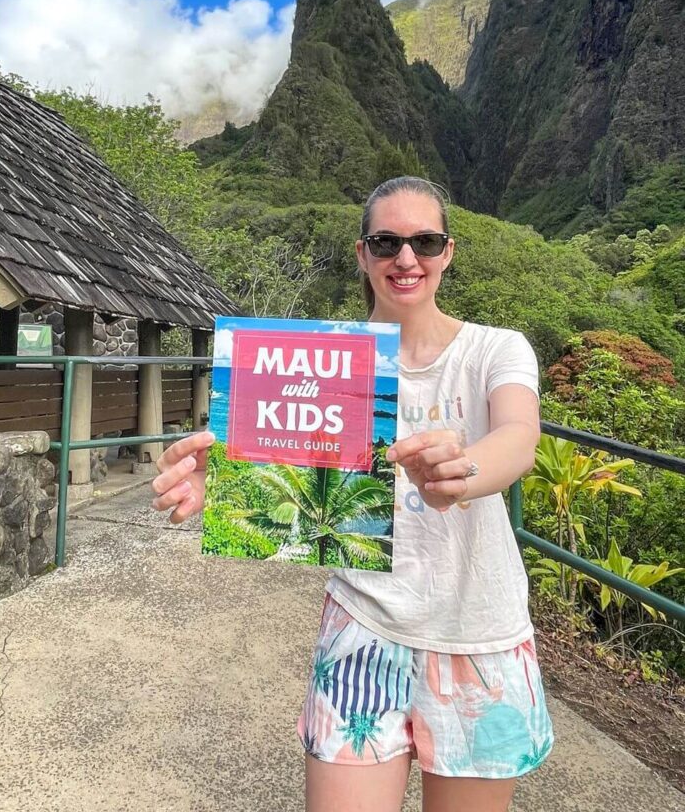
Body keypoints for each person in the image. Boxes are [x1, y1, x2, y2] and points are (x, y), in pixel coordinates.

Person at [151, 176, 553, 812]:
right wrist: (222, 481)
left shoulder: (495, 350)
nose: (406, 259)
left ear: (449, 251)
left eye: (425, 241)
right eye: (387, 241)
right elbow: (283, 464)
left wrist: (463, 468)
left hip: (479, 634)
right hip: (362, 626)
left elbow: (518, 436)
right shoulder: (325, 359)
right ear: (362, 253)